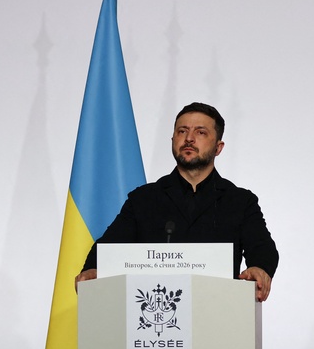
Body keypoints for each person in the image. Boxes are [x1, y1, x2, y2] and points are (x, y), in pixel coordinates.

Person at [76, 102, 278, 301]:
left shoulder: (240, 201)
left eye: (200, 132)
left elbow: (262, 248)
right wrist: (93, 269)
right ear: (173, 139)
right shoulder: (143, 199)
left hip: (217, 312)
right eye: (182, 131)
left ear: (218, 147)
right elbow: (108, 248)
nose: (189, 138)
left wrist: (260, 269)